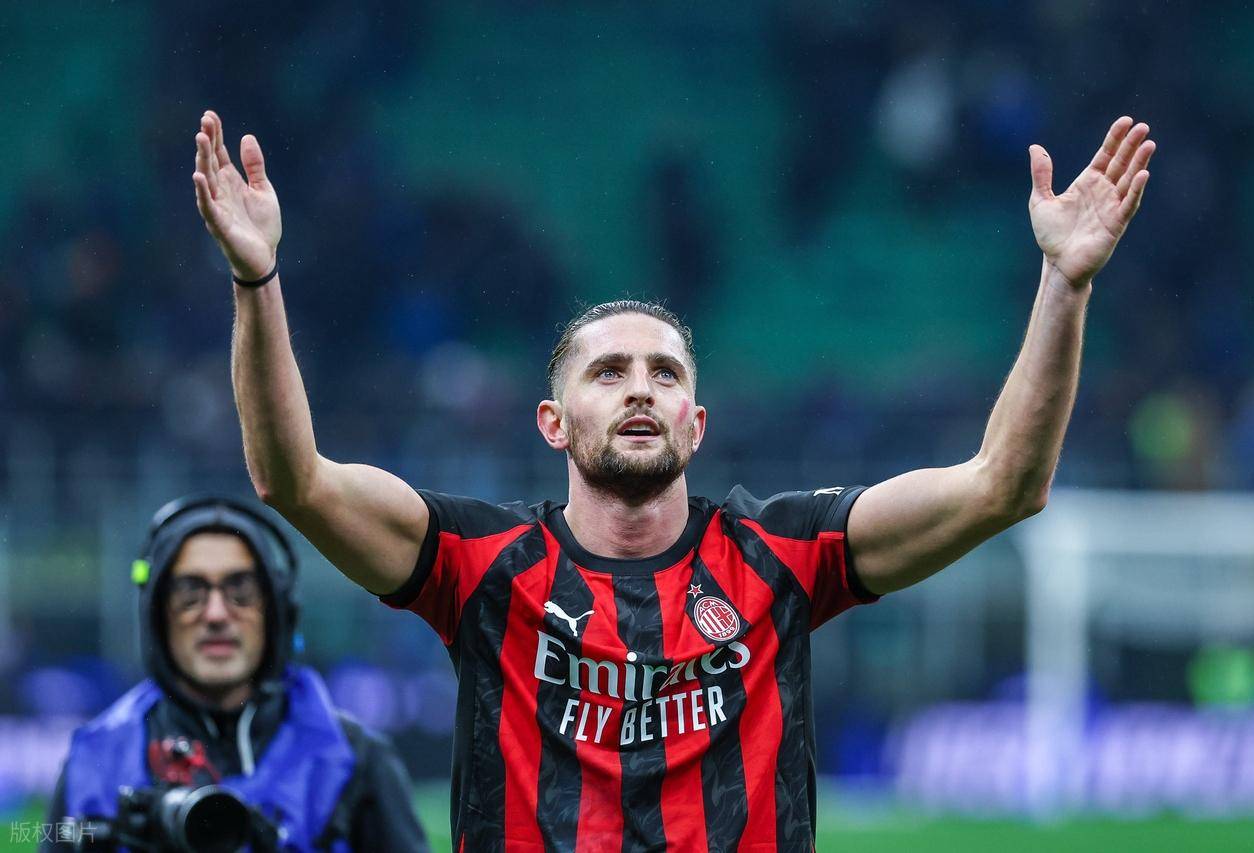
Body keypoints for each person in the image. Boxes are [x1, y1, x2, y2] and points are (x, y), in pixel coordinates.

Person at [191, 109, 1154, 850]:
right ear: (553, 423)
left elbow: (1003, 485)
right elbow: (293, 479)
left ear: (697, 423)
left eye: (664, 373)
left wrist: (1065, 282)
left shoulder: (784, 552)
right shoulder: (481, 563)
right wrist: (256, 281)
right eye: (608, 372)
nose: (640, 389)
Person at [44, 495, 429, 851]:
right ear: (157, 615)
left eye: (241, 590)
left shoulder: (356, 761)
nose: (215, 614)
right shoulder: (94, 759)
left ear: (276, 612)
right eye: (190, 592)